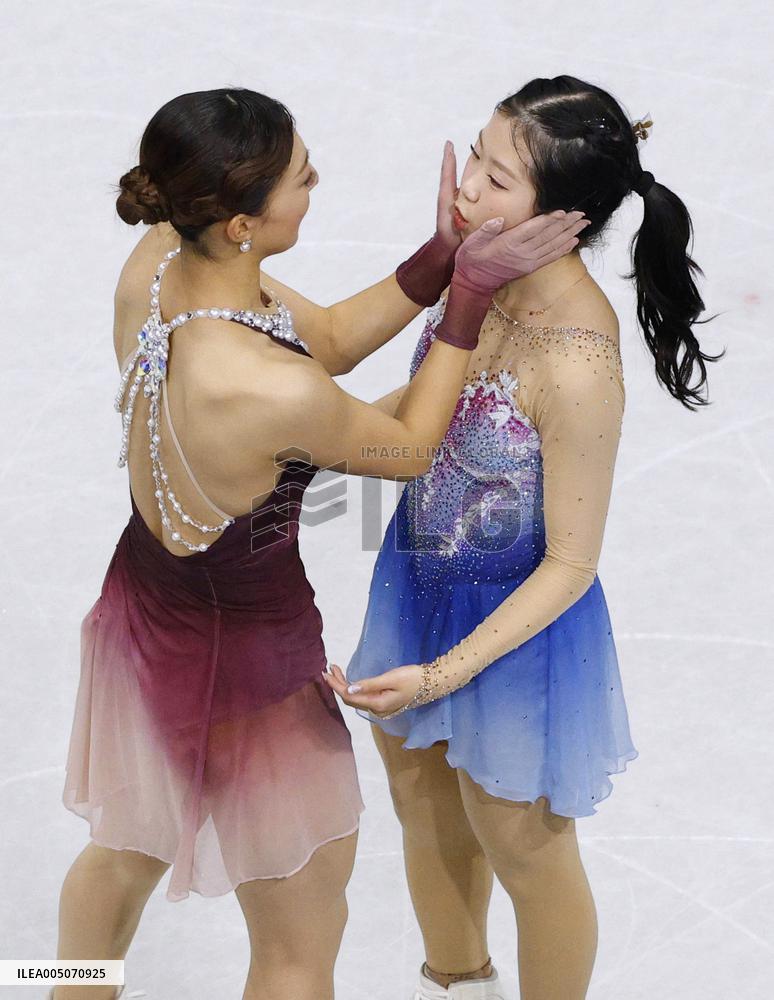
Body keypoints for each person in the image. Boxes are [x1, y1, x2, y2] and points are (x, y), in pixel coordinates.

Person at [53, 86, 587, 1000]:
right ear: (239, 227)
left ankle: (61, 986)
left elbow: (331, 338)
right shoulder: (268, 392)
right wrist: (467, 299)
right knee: (301, 941)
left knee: (120, 854)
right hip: (251, 658)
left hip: (146, 615)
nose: (316, 184)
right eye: (300, 178)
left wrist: (440, 256)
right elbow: (413, 449)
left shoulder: (158, 261)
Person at [325, 75, 723, 1000]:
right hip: (418, 586)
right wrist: (306, 444)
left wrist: (440, 675)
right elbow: (428, 407)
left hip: (518, 633)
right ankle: (454, 983)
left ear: (565, 219)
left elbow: (574, 564)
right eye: (475, 156)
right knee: (421, 810)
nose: (466, 189)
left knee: (522, 846)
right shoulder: (485, 279)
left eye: (497, 180)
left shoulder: (579, 361)